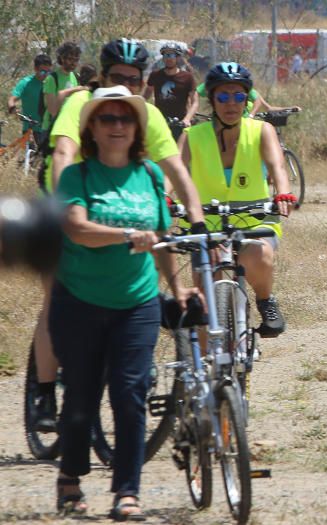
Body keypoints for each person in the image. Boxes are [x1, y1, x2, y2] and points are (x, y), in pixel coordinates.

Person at [30, 38, 206, 434]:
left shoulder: (148, 115)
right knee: (55, 295)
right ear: (102, 76)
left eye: (133, 79)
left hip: (123, 208)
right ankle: (42, 392)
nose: (125, 86)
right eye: (117, 77)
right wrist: (65, 213)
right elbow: (62, 155)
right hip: (69, 200)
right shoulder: (81, 104)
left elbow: (176, 169)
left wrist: (196, 222)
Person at [51, 85, 199, 521]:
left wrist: (176, 286)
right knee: (81, 394)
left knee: (131, 394)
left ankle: (127, 491)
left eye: (125, 119)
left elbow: (162, 238)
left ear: (137, 129)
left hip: (136, 303)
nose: (118, 126)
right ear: (92, 129)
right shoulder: (76, 176)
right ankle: (70, 478)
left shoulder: (151, 175)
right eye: (107, 119)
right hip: (78, 300)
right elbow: (76, 229)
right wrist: (125, 236)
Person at [178, 62, 296, 337]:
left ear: (247, 99)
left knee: (257, 254)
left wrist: (283, 192)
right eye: (223, 96)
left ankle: (265, 300)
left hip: (254, 218)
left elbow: (277, 166)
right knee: (205, 298)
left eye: (239, 96)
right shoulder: (192, 136)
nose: (231, 103)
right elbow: (174, 172)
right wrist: (163, 197)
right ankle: (216, 370)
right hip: (206, 223)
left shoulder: (261, 130)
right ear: (211, 100)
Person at [144, 42, 197, 138]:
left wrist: (187, 119)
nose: (169, 58)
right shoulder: (155, 75)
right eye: (165, 55)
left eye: (172, 55)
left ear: (177, 57)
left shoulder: (187, 77)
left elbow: (195, 102)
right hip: (160, 123)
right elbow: (145, 97)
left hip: (180, 125)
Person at [7, 54, 51, 145]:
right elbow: (12, 99)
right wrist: (12, 108)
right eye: (43, 72)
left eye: (48, 72)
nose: (46, 75)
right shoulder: (26, 83)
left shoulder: (51, 83)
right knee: (29, 156)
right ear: (35, 69)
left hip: (47, 129)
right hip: (30, 129)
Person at [42, 42, 81, 128]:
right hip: (51, 128)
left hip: (68, 127)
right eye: (70, 59)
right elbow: (52, 110)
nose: (73, 63)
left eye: (76, 60)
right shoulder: (52, 79)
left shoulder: (76, 77)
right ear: (62, 58)